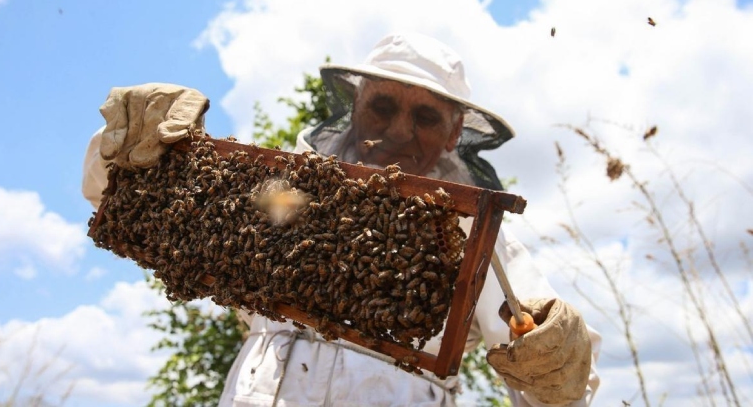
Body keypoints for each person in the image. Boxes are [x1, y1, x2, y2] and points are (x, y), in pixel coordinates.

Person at [83, 33, 600, 406]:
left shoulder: (469, 235)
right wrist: (139, 148)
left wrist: (562, 361)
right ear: (356, 106)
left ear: (454, 132)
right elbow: (143, 204)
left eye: (424, 117)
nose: (399, 130)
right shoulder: (290, 197)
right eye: (383, 106)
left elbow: (547, 376)